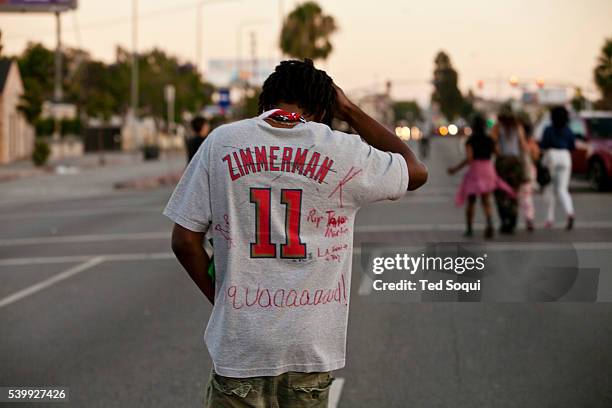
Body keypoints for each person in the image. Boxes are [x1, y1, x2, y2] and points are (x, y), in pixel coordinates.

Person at [164, 59, 428, 407]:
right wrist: (349, 110)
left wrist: (223, 299)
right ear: (323, 108)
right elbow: (415, 171)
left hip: (241, 343)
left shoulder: (221, 143)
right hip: (309, 347)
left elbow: (184, 240)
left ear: (265, 100)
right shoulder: (341, 149)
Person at [448, 114, 515, 239]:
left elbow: (469, 159)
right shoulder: (489, 139)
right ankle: (489, 222)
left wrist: (455, 169)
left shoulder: (470, 141)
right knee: (486, 200)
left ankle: (469, 228)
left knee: (471, 201)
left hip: (475, 170)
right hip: (488, 169)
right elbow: (498, 153)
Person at [491, 105, 528, 234]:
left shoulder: (497, 127)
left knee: (500, 192)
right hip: (516, 162)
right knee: (514, 191)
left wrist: (499, 155)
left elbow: (493, 144)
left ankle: (504, 219)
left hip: (503, 162)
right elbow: (523, 146)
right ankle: (512, 219)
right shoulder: (518, 127)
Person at [540, 106, 576, 230]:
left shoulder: (548, 129)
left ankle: (549, 219)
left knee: (550, 190)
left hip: (551, 156)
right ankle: (570, 212)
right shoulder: (568, 130)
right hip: (566, 157)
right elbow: (572, 146)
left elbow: (543, 145)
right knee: (562, 189)